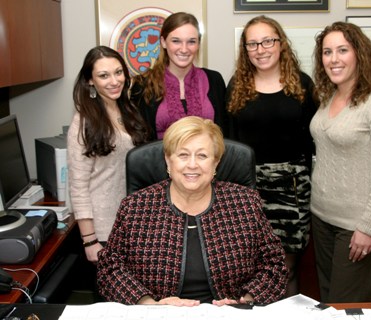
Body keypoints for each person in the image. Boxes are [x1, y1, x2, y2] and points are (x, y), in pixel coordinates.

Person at [97, 116, 287, 306]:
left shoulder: (245, 203)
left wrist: (245, 301)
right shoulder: (136, 207)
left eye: (202, 156)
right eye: (183, 155)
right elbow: (110, 268)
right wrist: (148, 304)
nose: (192, 165)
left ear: (216, 163)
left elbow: (274, 264)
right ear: (168, 160)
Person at [226, 15, 318, 297]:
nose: (260, 49)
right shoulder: (236, 86)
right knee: (252, 271)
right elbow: (228, 144)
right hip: (249, 189)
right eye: (252, 44)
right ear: (245, 50)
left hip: (293, 188)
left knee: (286, 268)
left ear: (280, 44)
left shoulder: (302, 84)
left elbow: (314, 140)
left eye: (267, 41)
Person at [310, 21, 371, 302]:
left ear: (359, 54)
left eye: (342, 50)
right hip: (321, 218)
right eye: (327, 52)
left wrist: (368, 226)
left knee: (345, 305)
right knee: (328, 299)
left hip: (355, 225)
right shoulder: (328, 98)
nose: (334, 59)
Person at [67, 45, 149, 263]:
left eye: (118, 72)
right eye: (104, 75)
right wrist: (89, 240)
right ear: (90, 81)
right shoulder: (84, 121)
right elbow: (78, 185)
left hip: (131, 222)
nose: (114, 81)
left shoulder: (127, 108)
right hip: (103, 228)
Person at [131, 12, 228, 140]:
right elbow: (140, 140)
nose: (184, 49)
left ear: (198, 44)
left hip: (208, 159)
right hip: (159, 159)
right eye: (176, 41)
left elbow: (225, 134)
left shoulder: (214, 80)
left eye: (191, 42)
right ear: (163, 42)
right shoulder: (142, 84)